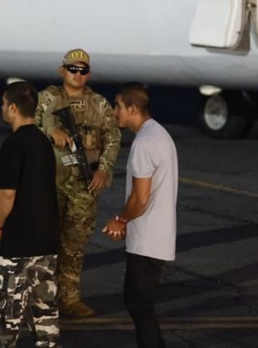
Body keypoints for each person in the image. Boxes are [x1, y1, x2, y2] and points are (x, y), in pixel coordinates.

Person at [34, 48, 121, 317]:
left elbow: (113, 138)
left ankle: (69, 299)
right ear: (62, 71)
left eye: (83, 70)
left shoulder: (99, 103)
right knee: (44, 242)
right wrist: (50, 131)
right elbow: (25, 128)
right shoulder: (47, 99)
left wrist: (104, 170)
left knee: (75, 243)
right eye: (72, 69)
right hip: (51, 182)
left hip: (85, 184)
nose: (78, 74)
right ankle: (41, 300)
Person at [103, 83, 178, 348]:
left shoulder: (144, 144)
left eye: (118, 106)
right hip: (159, 237)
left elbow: (140, 198)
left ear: (132, 108)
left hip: (148, 239)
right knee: (140, 303)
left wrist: (120, 220)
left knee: (139, 305)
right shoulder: (159, 134)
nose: (115, 112)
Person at [0, 81, 61, 348]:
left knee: (9, 314)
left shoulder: (13, 144)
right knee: (45, 314)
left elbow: (7, 194)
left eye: (3, 103)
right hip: (46, 240)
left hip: (19, 241)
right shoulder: (44, 142)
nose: (2, 108)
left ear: (13, 107)